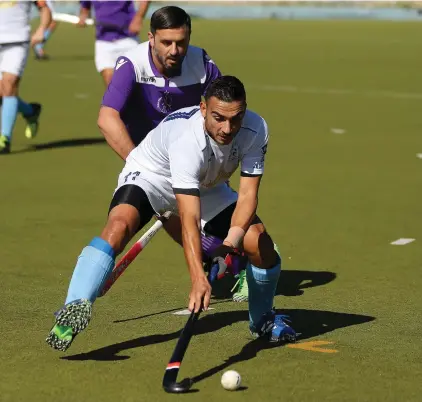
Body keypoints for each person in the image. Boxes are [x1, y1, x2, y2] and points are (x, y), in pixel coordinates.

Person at [45, 76, 297, 352]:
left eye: (235, 118)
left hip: (205, 185)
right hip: (152, 176)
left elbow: (248, 195)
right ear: (203, 109)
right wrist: (197, 278)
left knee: (259, 242)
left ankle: (262, 319)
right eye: (218, 118)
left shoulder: (255, 128)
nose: (227, 128)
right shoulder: (186, 140)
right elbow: (188, 218)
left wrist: (229, 244)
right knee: (118, 227)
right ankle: (73, 310)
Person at [98, 5, 249, 301]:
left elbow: (222, 110)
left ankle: (238, 262)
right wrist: (142, 165)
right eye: (167, 42)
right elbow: (107, 118)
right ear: (152, 38)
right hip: (151, 157)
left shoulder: (202, 63)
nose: (175, 50)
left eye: (182, 42)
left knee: (210, 217)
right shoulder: (132, 64)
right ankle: (215, 259)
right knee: (169, 216)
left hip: (195, 155)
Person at [0, 1, 52, 155]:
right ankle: (30, 111)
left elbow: (44, 9)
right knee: (2, 92)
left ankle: (4, 138)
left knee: (9, 85)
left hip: (17, 41)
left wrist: (42, 29)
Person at [78, 0, 150, 86]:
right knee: (111, 83)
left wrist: (138, 18)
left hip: (127, 39)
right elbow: (85, 5)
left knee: (133, 84)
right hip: (103, 41)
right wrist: (83, 15)